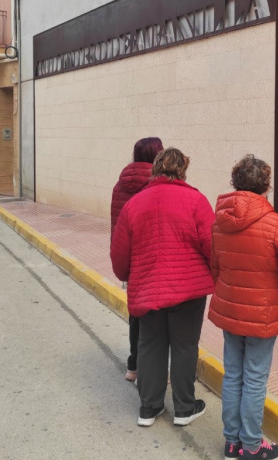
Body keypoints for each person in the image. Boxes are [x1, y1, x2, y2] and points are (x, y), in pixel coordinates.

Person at [208, 154, 278, 460]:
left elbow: (216, 267)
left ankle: (232, 442)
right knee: (254, 378)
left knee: (234, 373)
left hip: (231, 311)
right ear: (266, 186)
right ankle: (251, 445)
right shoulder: (277, 224)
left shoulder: (220, 222)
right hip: (263, 315)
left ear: (236, 183)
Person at [111, 147, 214, 427]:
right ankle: (184, 407)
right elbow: (211, 245)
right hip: (188, 289)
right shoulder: (196, 200)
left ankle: (149, 407)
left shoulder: (135, 203)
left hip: (147, 288)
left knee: (150, 345)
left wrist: (125, 274)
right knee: (184, 346)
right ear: (182, 170)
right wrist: (214, 273)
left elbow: (120, 254)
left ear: (156, 168)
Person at [110, 137, 164, 382]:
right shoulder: (156, 186)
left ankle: (133, 365)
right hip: (152, 258)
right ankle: (157, 369)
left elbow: (116, 226)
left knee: (136, 313)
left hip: (130, 260)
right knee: (158, 316)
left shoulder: (119, 186)